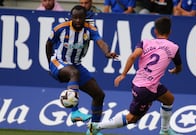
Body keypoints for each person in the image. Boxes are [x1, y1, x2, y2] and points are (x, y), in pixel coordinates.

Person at [88, 17, 183, 135]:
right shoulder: (174, 47)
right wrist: (175, 70)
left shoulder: (145, 42)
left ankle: (164, 130)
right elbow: (179, 66)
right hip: (146, 89)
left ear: (155, 31)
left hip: (143, 83)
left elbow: (133, 56)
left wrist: (123, 74)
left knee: (169, 99)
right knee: (132, 118)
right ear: (170, 32)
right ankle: (96, 126)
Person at [45, 5, 118, 135]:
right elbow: (48, 43)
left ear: (86, 18)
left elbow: (100, 42)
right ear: (71, 17)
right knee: (74, 73)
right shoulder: (61, 28)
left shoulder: (90, 29)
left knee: (99, 94)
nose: (78, 20)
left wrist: (107, 53)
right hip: (59, 62)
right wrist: (49, 63)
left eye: (81, 18)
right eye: (75, 18)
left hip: (76, 64)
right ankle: (74, 113)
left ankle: (93, 129)